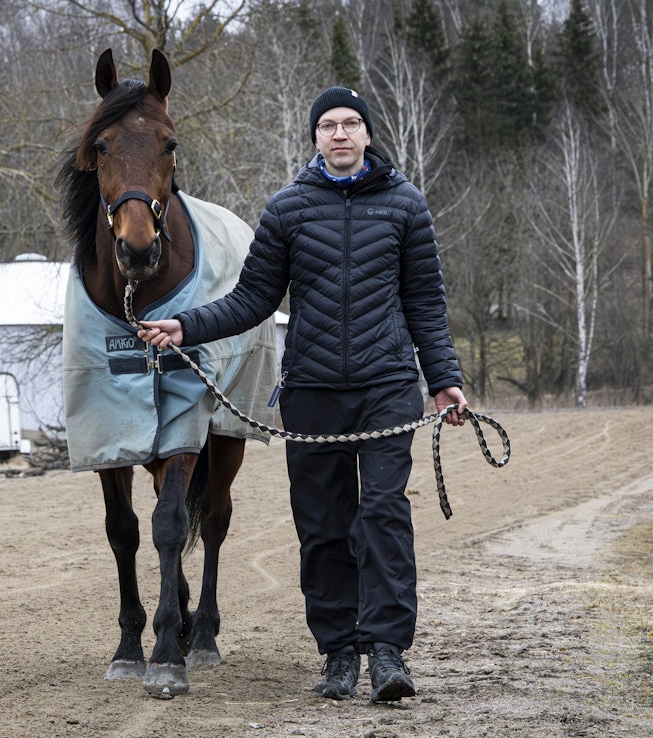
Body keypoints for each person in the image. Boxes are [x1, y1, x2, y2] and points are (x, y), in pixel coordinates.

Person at [137, 86, 468, 703]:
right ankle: (340, 653)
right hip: (312, 391)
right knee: (322, 526)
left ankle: (389, 653)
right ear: (315, 138)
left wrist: (444, 379)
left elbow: (426, 301)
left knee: (385, 518)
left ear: (368, 135)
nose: (340, 134)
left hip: (387, 386)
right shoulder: (288, 210)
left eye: (351, 124)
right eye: (328, 126)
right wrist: (188, 326)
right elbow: (253, 299)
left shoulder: (405, 206)